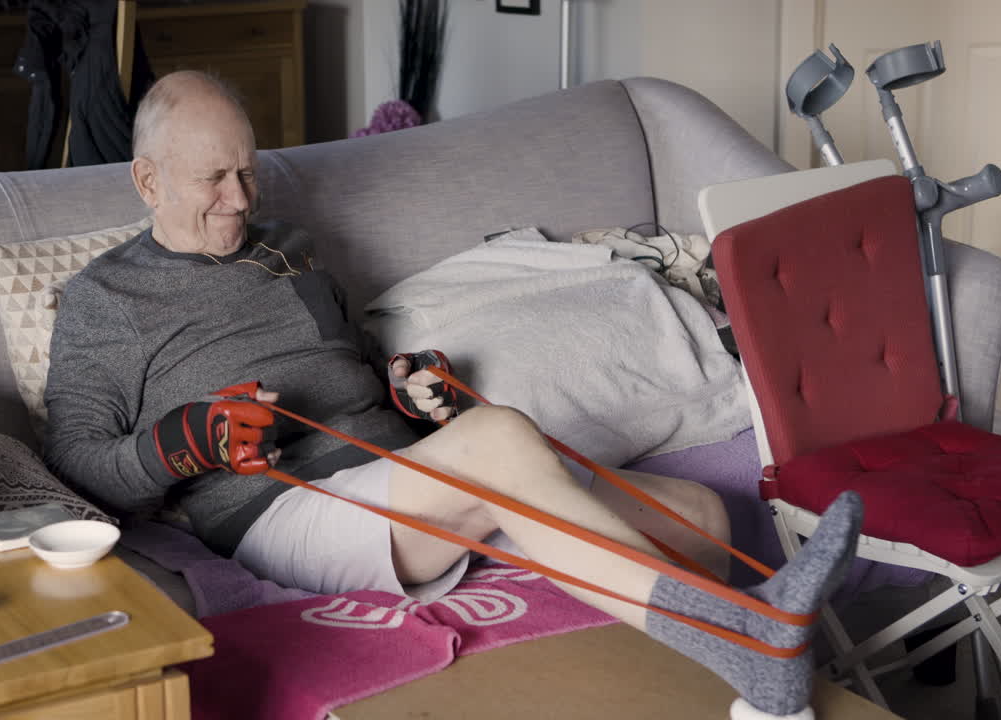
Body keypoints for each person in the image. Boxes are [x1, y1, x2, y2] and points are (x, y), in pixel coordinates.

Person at [44, 70, 862, 719]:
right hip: (278, 512)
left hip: (396, 477)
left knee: (700, 514)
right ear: (148, 180)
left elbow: (351, 364)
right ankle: (747, 638)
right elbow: (77, 460)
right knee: (504, 438)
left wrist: (412, 392)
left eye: (247, 174)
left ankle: (730, 688)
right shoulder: (105, 299)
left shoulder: (291, 248)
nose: (240, 199)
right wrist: (183, 440)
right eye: (212, 179)